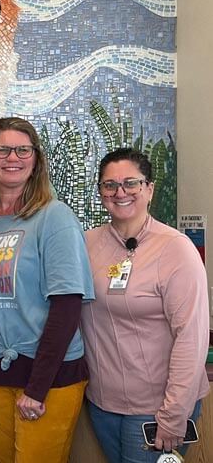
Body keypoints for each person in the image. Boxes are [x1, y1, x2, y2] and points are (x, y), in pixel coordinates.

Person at [0, 117, 95, 463]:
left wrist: (37, 388)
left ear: (35, 159)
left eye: (23, 150)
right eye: (2, 149)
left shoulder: (54, 217)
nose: (13, 157)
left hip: (48, 376)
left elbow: (67, 307)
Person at [82, 148, 209, 462]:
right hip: (103, 405)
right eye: (109, 185)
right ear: (100, 192)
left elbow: (191, 339)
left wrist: (174, 414)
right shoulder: (86, 243)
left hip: (158, 409)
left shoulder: (176, 249)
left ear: (149, 189)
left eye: (131, 183)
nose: (120, 192)